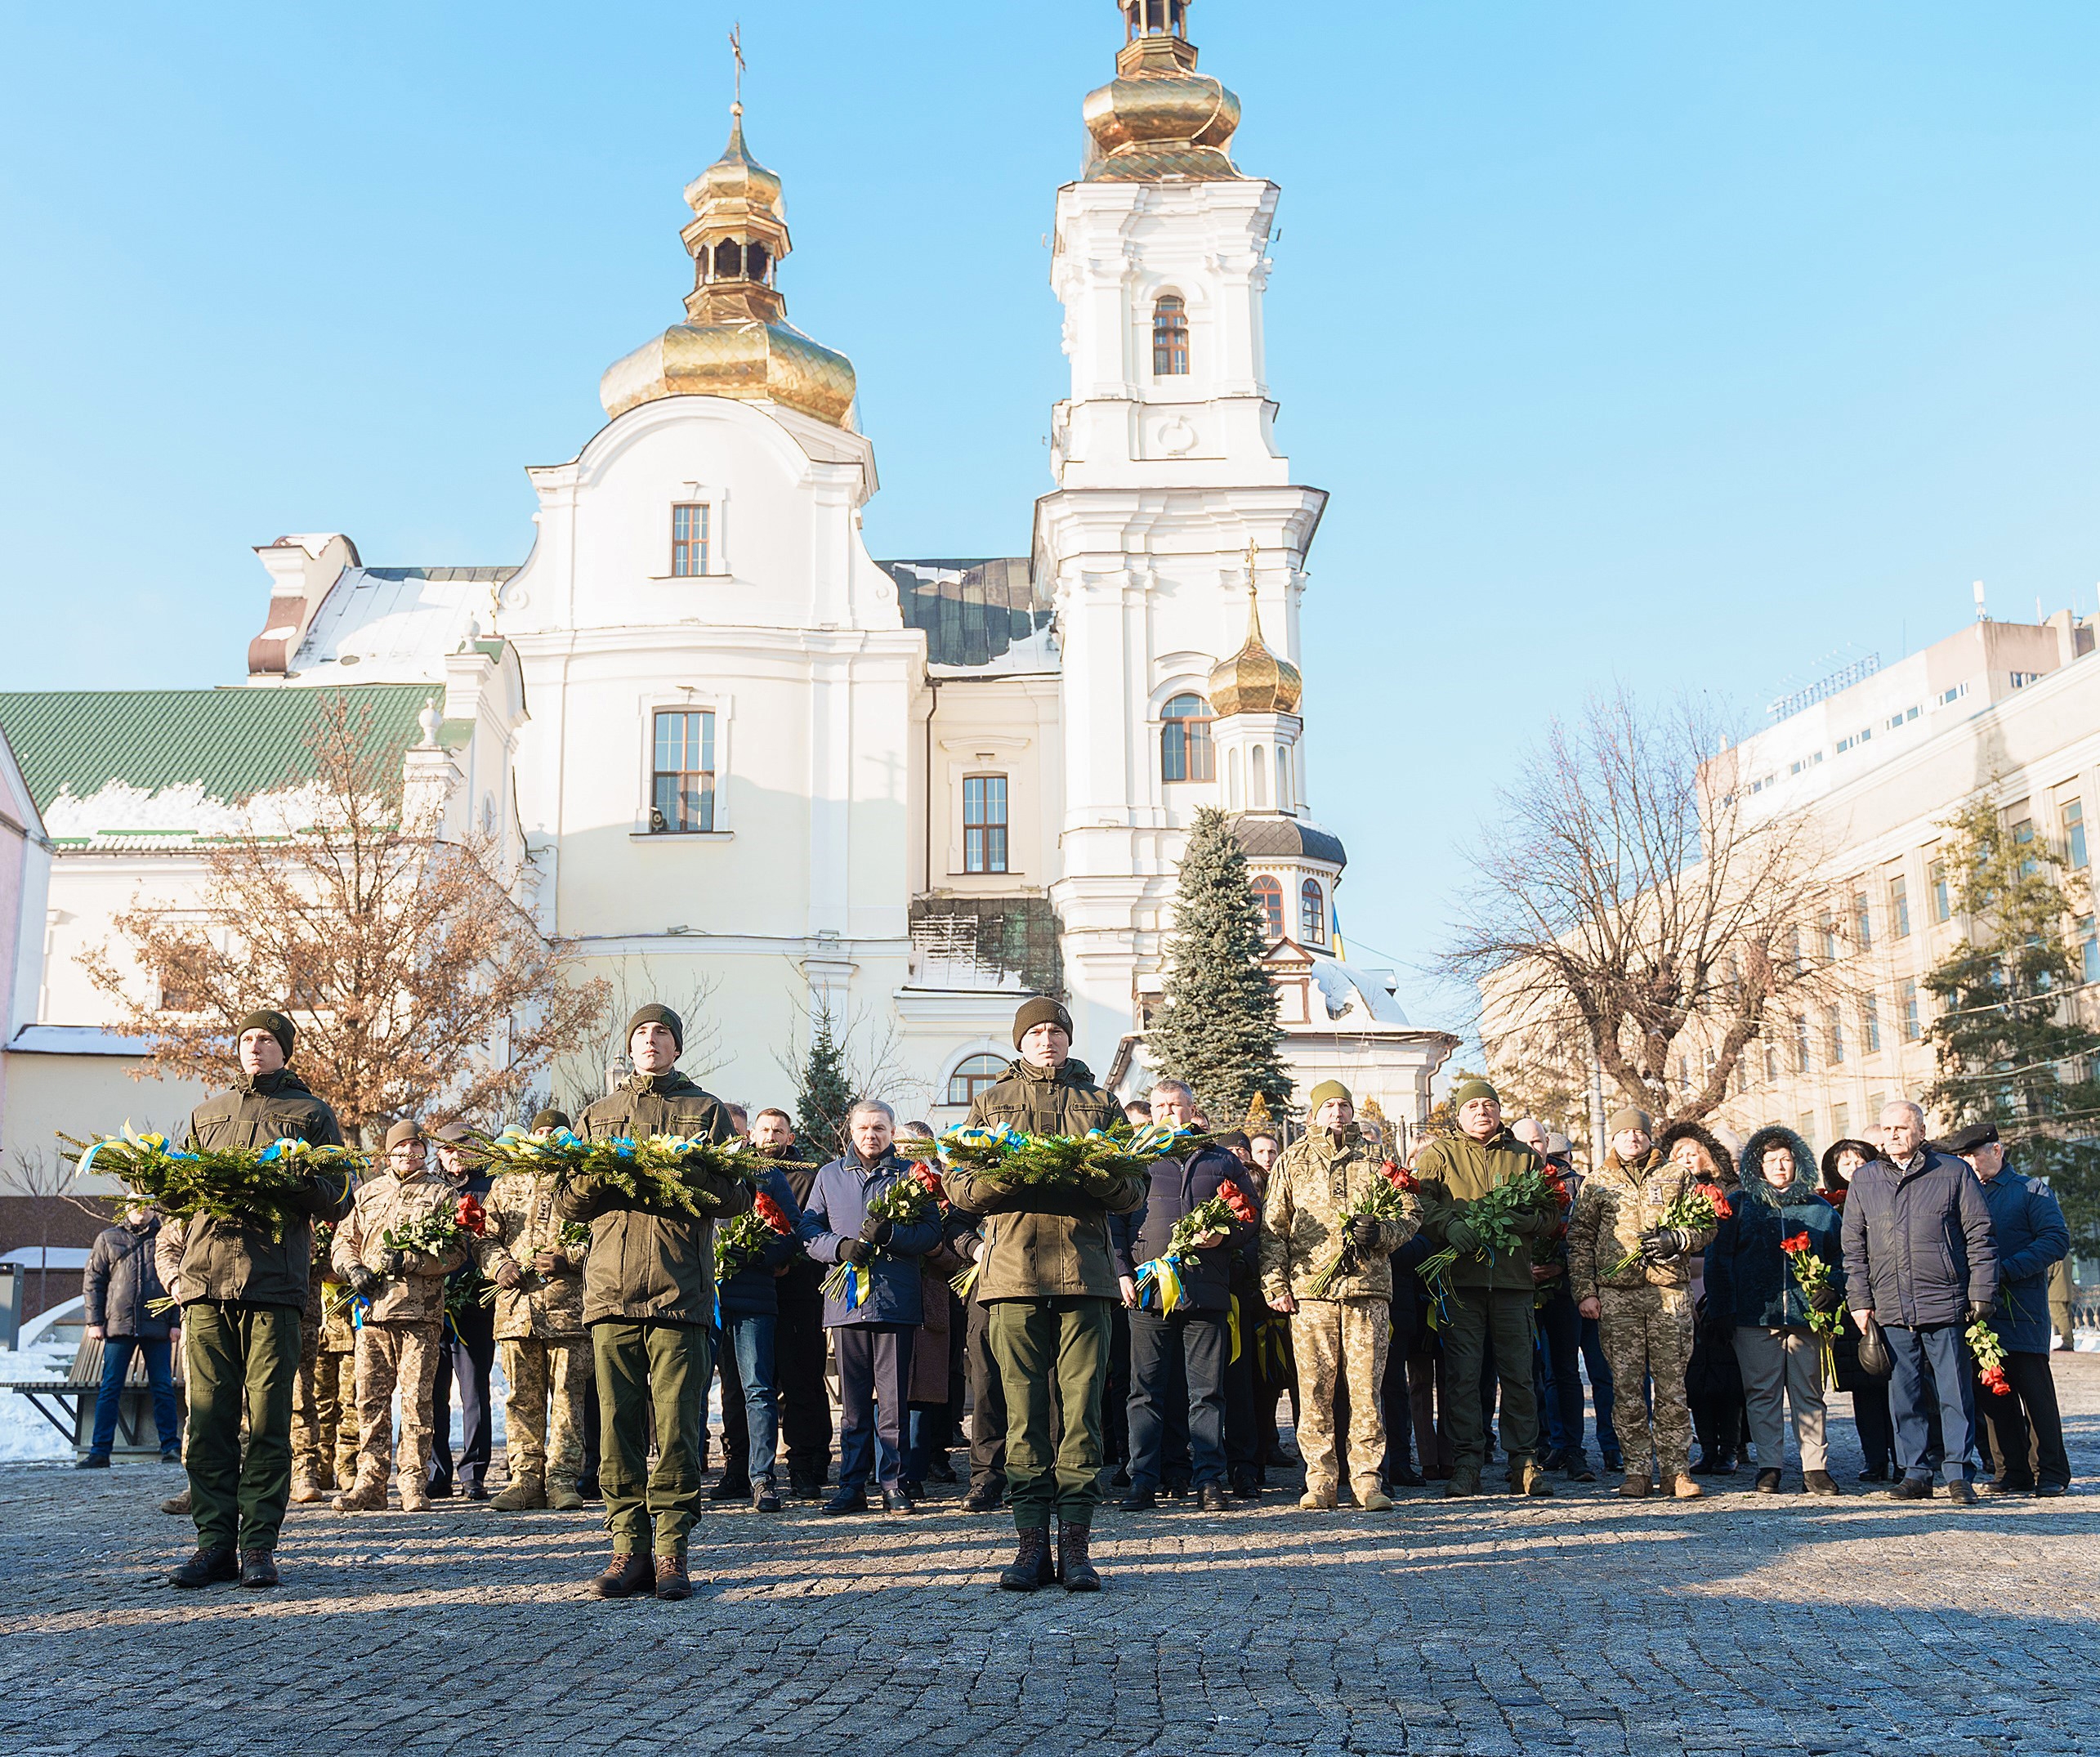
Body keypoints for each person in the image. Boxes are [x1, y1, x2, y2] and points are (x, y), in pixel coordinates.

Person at [945, 995, 1138, 1592]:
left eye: (1056, 1030)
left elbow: (1135, 1188)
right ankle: (1030, 1544)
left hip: (1086, 1276)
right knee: (1022, 1417)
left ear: (1069, 1039)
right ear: (1020, 1041)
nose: (1047, 1040)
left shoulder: (1101, 1105)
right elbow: (957, 1182)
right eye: (1036, 1033)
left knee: (1081, 1415)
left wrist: (1095, 1174)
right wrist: (1005, 1177)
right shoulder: (990, 1102)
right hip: (1012, 1278)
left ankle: (1076, 1545)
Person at [154, 1009, 352, 1589]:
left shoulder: (312, 1114)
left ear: (285, 1049)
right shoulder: (208, 1113)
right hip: (206, 1281)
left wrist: (300, 1182)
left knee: (268, 1419)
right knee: (209, 1421)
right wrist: (159, 1180)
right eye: (246, 1038)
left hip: (273, 1284)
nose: (254, 1046)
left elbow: (339, 1195)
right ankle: (213, 1544)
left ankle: (259, 1545)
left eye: (266, 1038)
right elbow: (180, 1193)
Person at [559, 1003, 749, 1601]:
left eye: (661, 1032)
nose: (650, 1040)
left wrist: (676, 1173)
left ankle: (671, 1551)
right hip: (611, 1294)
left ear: (676, 1046)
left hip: (679, 1292)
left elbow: (734, 1195)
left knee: (676, 1428)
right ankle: (626, 1548)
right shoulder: (598, 1114)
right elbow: (568, 1200)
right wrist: (607, 1174)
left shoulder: (705, 1111)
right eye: (641, 1033)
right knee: (615, 1426)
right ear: (630, 1046)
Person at [1259, 1080, 1419, 1512]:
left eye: (1343, 1105)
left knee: (1366, 1390)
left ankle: (1367, 1480)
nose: (1337, 1112)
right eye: (1328, 1105)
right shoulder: (1293, 1160)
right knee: (1314, 1391)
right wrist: (1275, 1286)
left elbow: (1410, 1214)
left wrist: (1381, 1233)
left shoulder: (1377, 1159)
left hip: (1367, 1291)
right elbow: (1273, 1230)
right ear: (1314, 1114)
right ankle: (1321, 1481)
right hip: (1311, 1292)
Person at [1111, 1080, 1257, 1513]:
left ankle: (1209, 1480)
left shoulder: (1222, 1159)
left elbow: (1250, 1218)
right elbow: (1113, 1222)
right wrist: (1121, 1270)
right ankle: (1143, 1480)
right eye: (1159, 1106)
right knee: (1144, 1391)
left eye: (1176, 1106)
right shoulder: (1134, 1159)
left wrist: (1225, 1234)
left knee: (1207, 1392)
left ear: (1192, 1110)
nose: (1167, 1113)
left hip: (1205, 1291)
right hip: (1147, 1290)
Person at [1841, 1100, 1997, 1504]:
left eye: (1902, 1128)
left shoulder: (1952, 1172)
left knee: (1954, 1391)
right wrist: (1860, 1300)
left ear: (1921, 1132)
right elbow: (1853, 1249)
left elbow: (1980, 1236)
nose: (1893, 1135)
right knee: (1903, 1394)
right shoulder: (1866, 1179)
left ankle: (1959, 1473)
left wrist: (1981, 1292)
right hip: (1890, 1305)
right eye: (1887, 1128)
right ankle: (1915, 1473)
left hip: (1944, 1300)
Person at [1412, 1080, 1559, 1498]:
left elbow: (1550, 1212)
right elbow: (1420, 1203)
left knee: (1518, 1376)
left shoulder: (1523, 1157)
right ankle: (1467, 1463)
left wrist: (1519, 1221)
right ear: (1458, 1114)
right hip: (1461, 1282)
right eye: (1472, 1106)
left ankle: (1524, 1462)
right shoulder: (1440, 1154)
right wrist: (1450, 1225)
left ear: (1499, 1111)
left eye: (1489, 1105)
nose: (1482, 1112)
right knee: (1462, 1377)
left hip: (1513, 1283)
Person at [798, 1098, 941, 1515]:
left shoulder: (912, 1176)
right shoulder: (829, 1176)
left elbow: (931, 1233)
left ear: (892, 1132)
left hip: (895, 1302)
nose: (871, 1135)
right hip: (847, 1304)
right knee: (854, 1406)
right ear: (851, 1129)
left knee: (894, 1402)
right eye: (863, 1128)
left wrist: (893, 1234)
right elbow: (808, 1229)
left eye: (879, 1128)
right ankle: (852, 1485)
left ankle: (894, 1483)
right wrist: (839, 1247)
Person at [1568, 1107, 1716, 1500]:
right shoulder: (1597, 1183)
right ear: (1612, 1139)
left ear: (1650, 1137)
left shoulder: (1677, 1175)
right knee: (1626, 1387)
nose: (1632, 1138)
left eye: (1639, 1132)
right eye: (1624, 1132)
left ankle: (1676, 1471)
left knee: (1672, 1387)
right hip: (1617, 1295)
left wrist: (1678, 1239)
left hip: (1669, 1292)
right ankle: (1636, 1470)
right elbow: (1580, 1239)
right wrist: (1585, 1291)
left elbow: (1706, 1225)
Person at [331, 1120, 469, 1513]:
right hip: (373, 1315)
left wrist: (410, 1260)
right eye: (401, 1148)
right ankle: (370, 1485)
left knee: (417, 1403)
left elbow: (456, 1253)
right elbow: (343, 1242)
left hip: (419, 1316)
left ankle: (412, 1484)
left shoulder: (441, 1195)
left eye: (416, 1148)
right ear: (388, 1153)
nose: (409, 1155)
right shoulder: (368, 1193)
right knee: (369, 1402)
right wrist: (353, 1269)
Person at [1706, 1126, 1845, 1495]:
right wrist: (1722, 1308)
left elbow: (1843, 1255)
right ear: (1758, 1166)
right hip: (1755, 1317)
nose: (1780, 1167)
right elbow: (1719, 1260)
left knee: (1809, 1393)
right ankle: (1769, 1465)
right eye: (1771, 1161)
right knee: (1761, 1392)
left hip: (1807, 1316)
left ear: (1797, 1162)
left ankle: (1815, 1467)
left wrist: (1833, 1287)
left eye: (1786, 1159)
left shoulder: (1820, 1209)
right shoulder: (1739, 1206)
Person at [477, 1106, 592, 1513]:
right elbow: (483, 1237)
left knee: (566, 1399)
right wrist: (500, 1265)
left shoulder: (582, 1180)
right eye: (539, 1131)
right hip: (516, 1312)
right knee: (520, 1400)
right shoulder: (507, 1183)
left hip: (568, 1311)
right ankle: (524, 1480)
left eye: (555, 1132)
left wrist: (570, 1258)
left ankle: (562, 1480)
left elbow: (602, 1235)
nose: (546, 1138)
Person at [1947, 1122, 2071, 1496]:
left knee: (2035, 1395)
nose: (1968, 1162)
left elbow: (2055, 1239)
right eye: (1962, 1157)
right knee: (1993, 1395)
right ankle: (2011, 1471)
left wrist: (2006, 1270)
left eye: (1974, 1154)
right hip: (1978, 1313)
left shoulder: (2030, 1190)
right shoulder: (1958, 1194)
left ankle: (2050, 1471)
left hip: (2023, 1310)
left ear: (1997, 1151)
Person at [708, 1113, 805, 1513]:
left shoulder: (766, 1175)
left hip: (755, 1298)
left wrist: (756, 1254)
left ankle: (762, 1477)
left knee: (758, 1389)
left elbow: (793, 1231)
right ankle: (729, 1470)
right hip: (704, 1296)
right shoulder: (701, 1171)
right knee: (705, 1392)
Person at [753, 1108, 832, 1500]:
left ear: (790, 1135)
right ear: (754, 1134)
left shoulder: (810, 1175)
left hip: (799, 1291)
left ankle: (806, 1464)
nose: (771, 1136)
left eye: (778, 1130)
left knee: (803, 1380)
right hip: (751, 1291)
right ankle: (746, 1469)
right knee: (752, 1384)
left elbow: (813, 1227)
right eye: (765, 1130)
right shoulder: (740, 1172)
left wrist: (790, 1258)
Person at [425, 1121, 497, 1500]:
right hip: (433, 1302)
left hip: (475, 1302)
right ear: (439, 1154)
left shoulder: (491, 1187)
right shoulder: (430, 1191)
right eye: (447, 1149)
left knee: (474, 1392)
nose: (455, 1155)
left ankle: (474, 1474)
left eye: (462, 1147)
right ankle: (438, 1472)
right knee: (433, 1393)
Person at [80, 1203, 180, 1467]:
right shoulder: (108, 1238)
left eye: (148, 1206)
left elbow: (179, 1278)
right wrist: (95, 1322)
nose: (142, 1211)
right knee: (110, 1388)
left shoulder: (165, 1237)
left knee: (162, 1387)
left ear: (155, 1210)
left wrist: (175, 1322)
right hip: (119, 1325)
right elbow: (94, 1281)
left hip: (157, 1325)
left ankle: (171, 1447)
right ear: (126, 1206)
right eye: (136, 1205)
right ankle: (100, 1451)